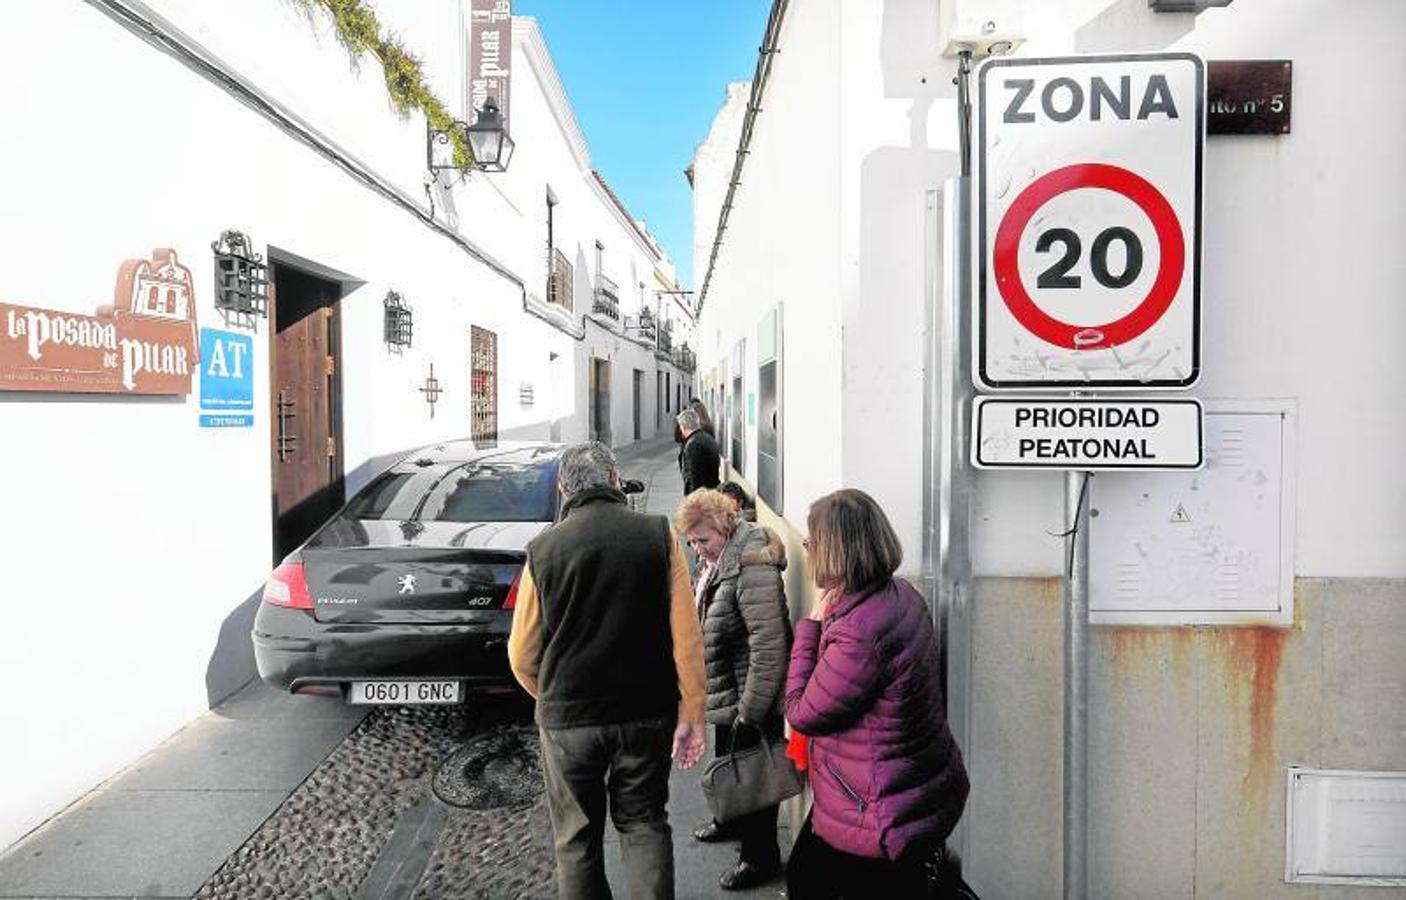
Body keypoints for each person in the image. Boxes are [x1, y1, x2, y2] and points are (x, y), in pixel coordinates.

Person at [508, 442, 708, 900]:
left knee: (575, 837)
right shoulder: (658, 536)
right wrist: (692, 711)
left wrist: (551, 694)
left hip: (568, 718)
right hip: (645, 711)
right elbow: (687, 637)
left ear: (563, 490)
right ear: (616, 480)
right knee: (643, 823)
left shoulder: (543, 550)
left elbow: (521, 654)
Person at [784, 489, 969, 899]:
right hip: (911, 786)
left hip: (879, 811)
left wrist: (810, 627)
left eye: (811, 542)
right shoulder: (900, 595)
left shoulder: (859, 634)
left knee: (806, 880)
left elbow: (802, 711)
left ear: (835, 551)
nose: (808, 549)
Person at [675, 489, 791, 891]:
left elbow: (769, 643)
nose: (697, 549)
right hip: (730, 690)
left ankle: (760, 859)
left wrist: (754, 707)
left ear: (726, 528)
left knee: (755, 779)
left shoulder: (751, 565)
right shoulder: (719, 560)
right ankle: (730, 821)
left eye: (703, 540)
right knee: (729, 765)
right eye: (691, 541)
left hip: (751, 694)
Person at [677, 410, 722, 494]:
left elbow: (693, 477)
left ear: (684, 426)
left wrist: (692, 500)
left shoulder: (693, 445)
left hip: (700, 495)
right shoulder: (707, 437)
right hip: (711, 489)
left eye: (680, 426)